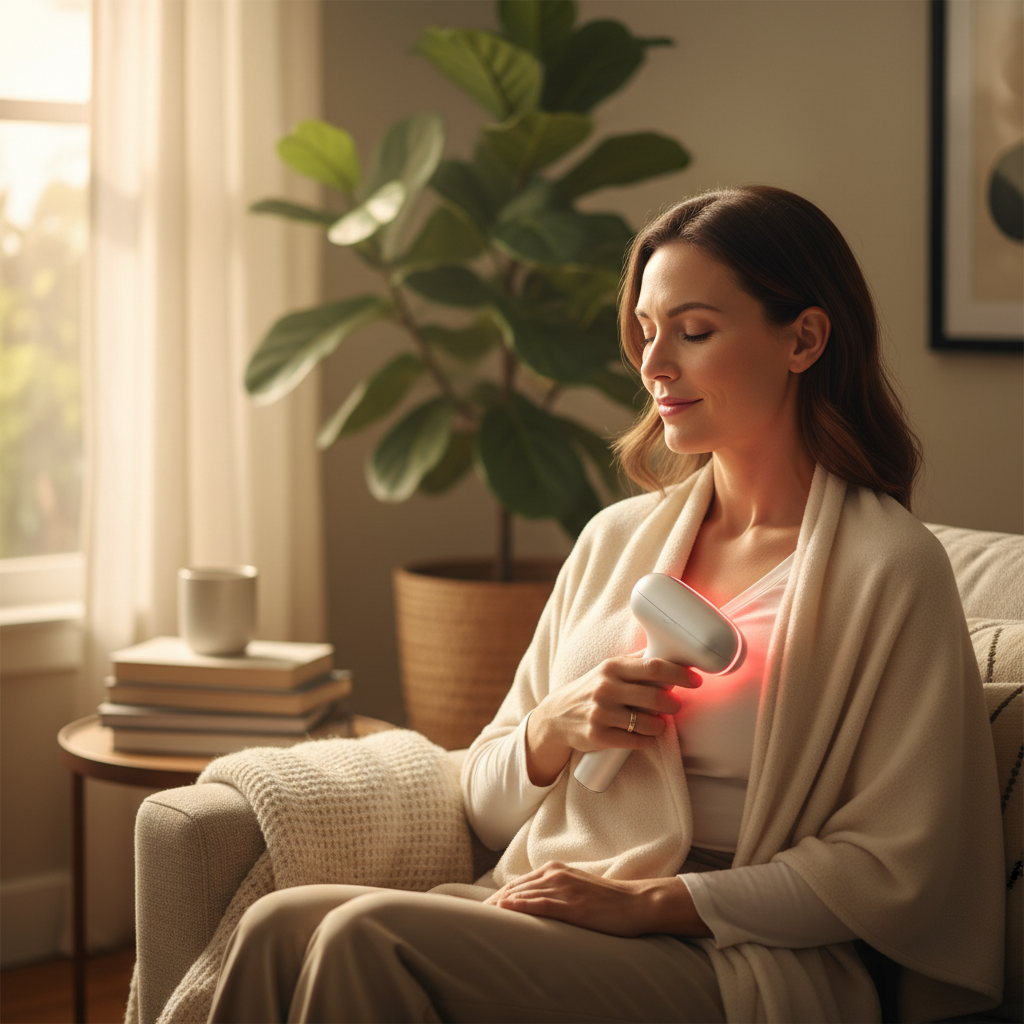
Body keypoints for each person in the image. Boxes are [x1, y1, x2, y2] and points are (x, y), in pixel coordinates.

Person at [207, 186, 1004, 1024]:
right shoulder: (613, 541)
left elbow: (893, 867)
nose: (655, 365)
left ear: (803, 339)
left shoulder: (890, 570)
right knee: (276, 925)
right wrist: (551, 731)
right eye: (647, 334)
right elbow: (483, 803)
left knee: (367, 936)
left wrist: (656, 902)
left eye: (695, 333)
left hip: (735, 951)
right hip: (562, 898)